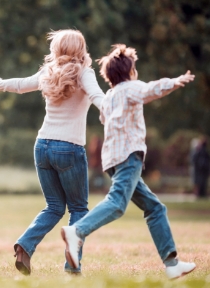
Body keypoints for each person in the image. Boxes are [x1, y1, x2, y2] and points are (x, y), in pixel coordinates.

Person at [61, 44, 196, 280]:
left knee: (155, 208)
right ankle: (77, 232)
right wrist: (175, 81)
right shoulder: (130, 88)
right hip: (129, 156)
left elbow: (105, 117)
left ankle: (172, 263)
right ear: (130, 71)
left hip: (113, 160)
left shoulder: (110, 96)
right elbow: (150, 90)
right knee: (117, 203)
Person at [0, 29, 105, 275]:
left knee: (54, 207)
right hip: (69, 148)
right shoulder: (85, 73)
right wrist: (110, 110)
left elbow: (20, 85)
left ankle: (24, 246)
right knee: (78, 209)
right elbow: (96, 95)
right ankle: (72, 265)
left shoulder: (48, 73)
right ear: (81, 49)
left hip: (42, 146)